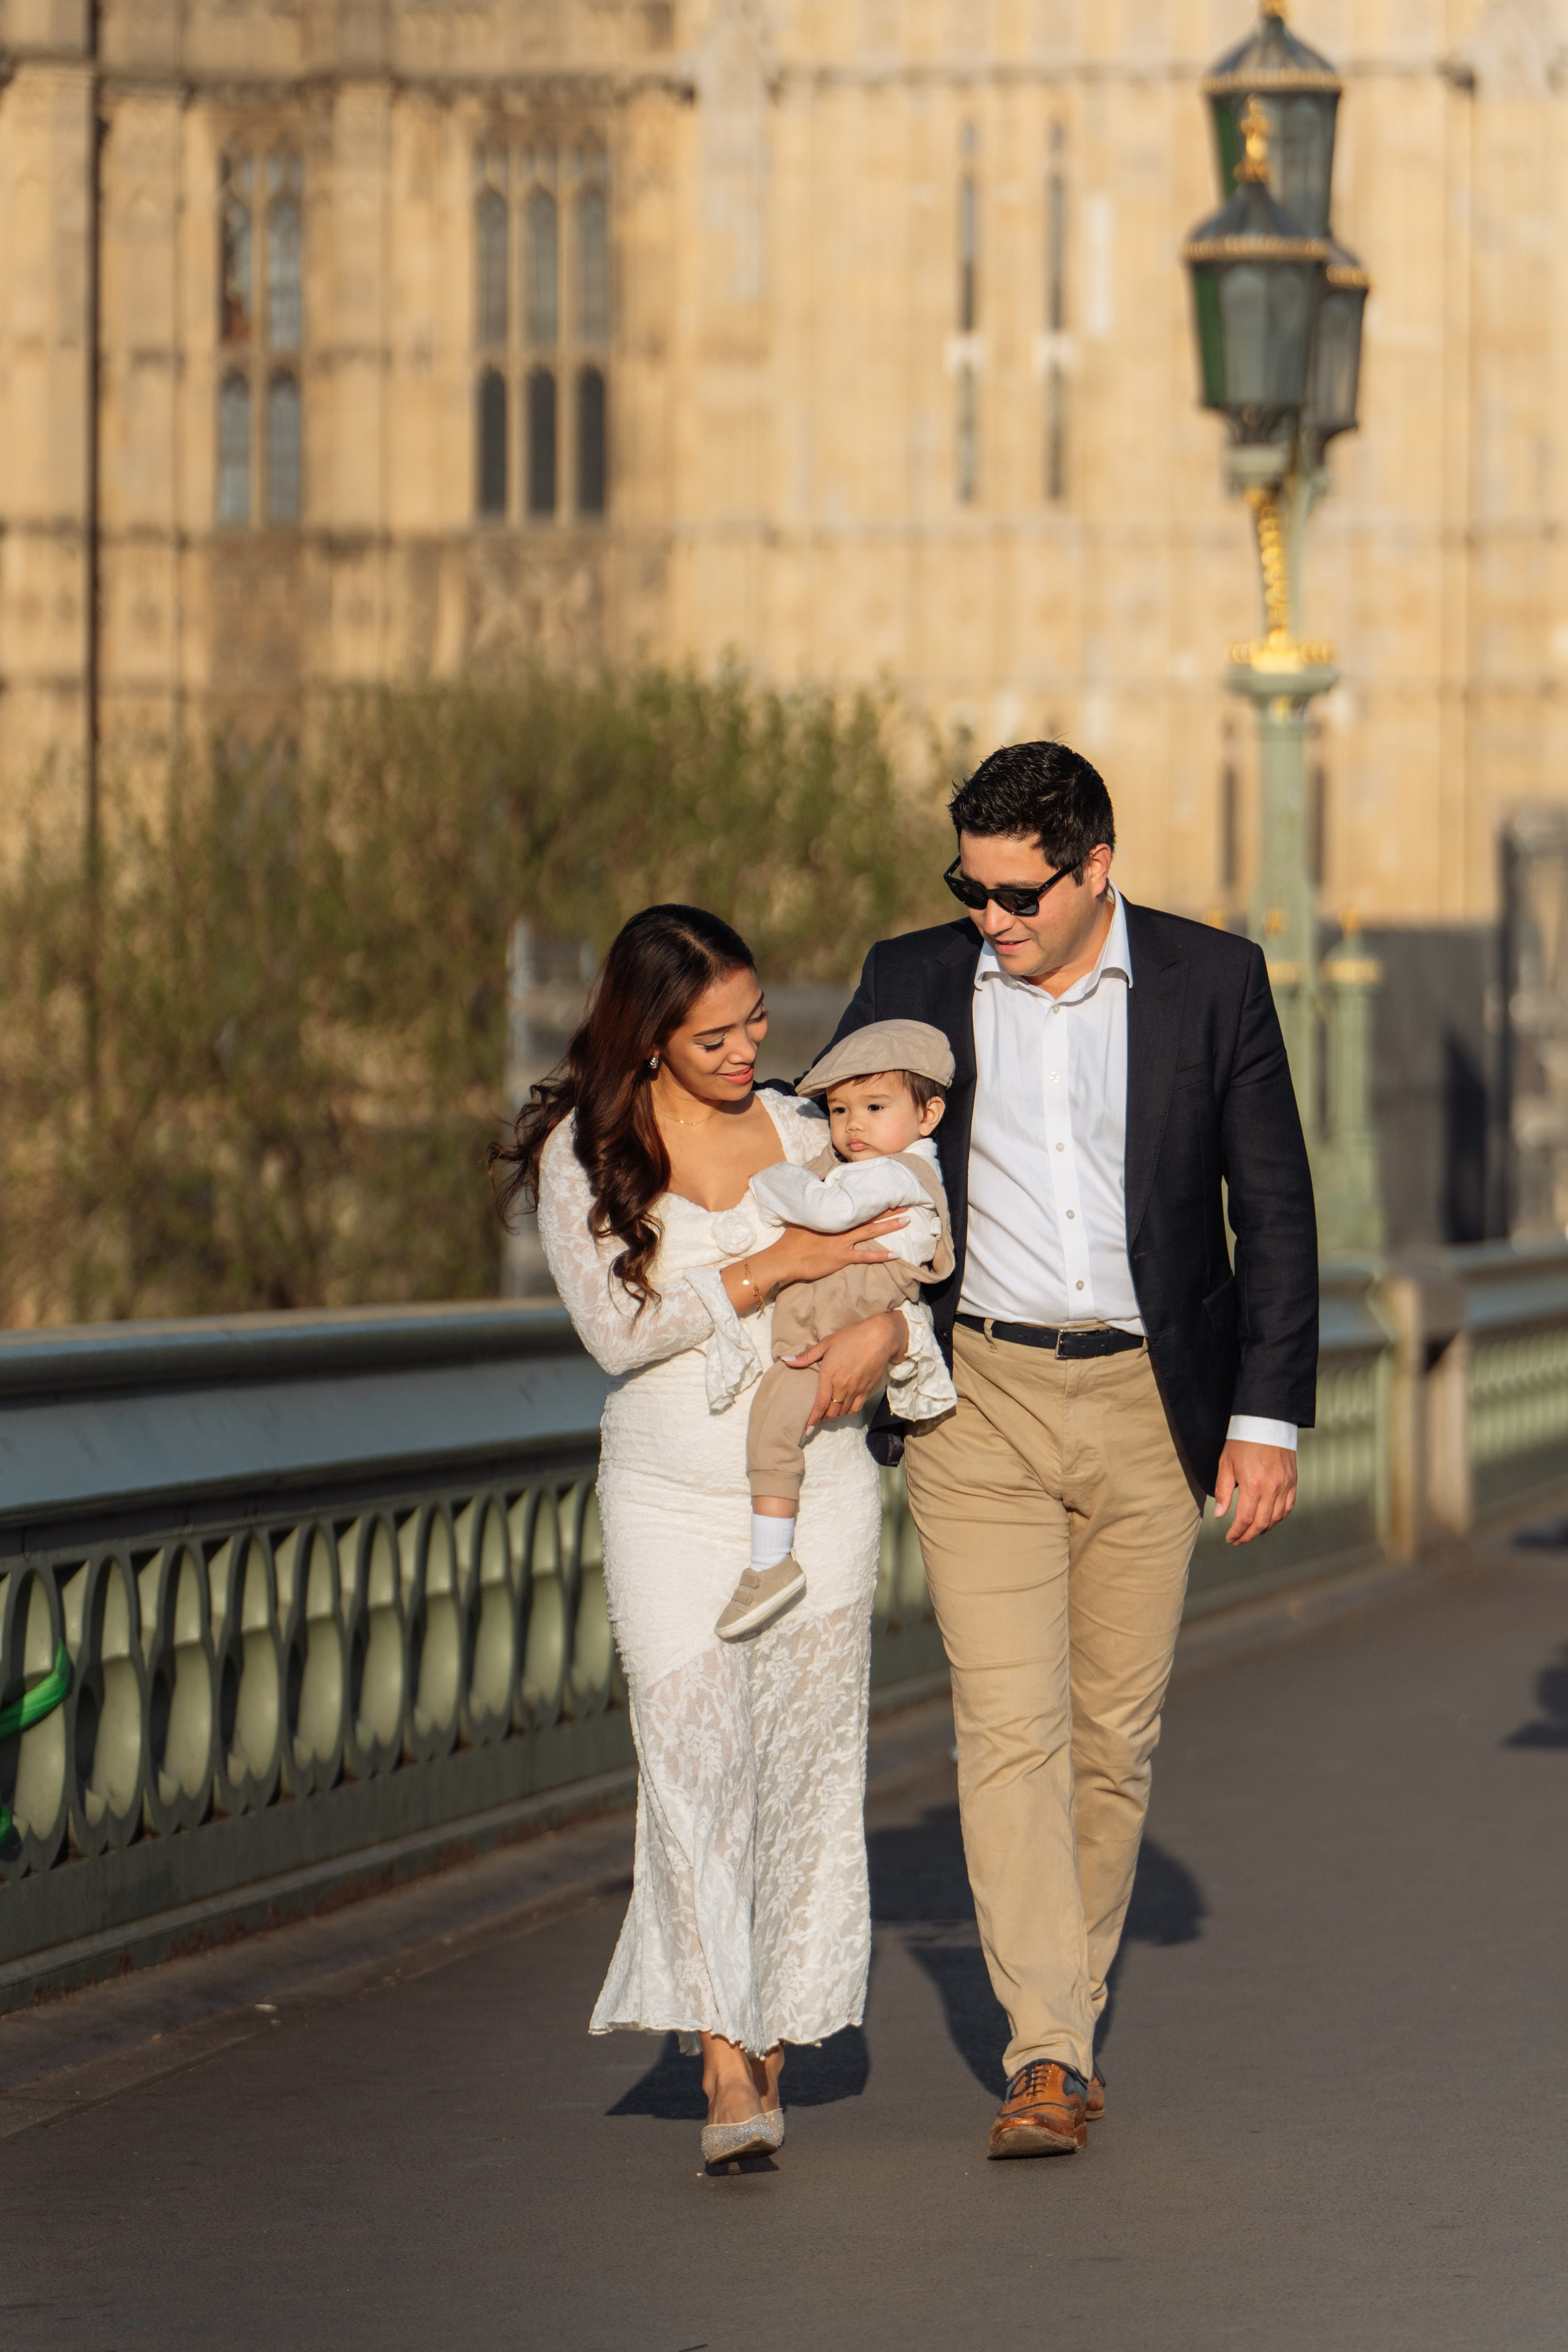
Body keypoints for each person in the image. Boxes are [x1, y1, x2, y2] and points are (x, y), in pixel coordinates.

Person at [823, 741, 1319, 2161]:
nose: (990, 917)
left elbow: (1269, 1210)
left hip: (1149, 1399)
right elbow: (821, 1144)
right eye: (968, 888)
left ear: (1094, 867)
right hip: (974, 1388)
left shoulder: (1206, 980)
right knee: (1009, 1724)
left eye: (1017, 891)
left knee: (1111, 1733)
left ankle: (1065, 2011)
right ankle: (1043, 2047)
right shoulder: (911, 978)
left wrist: (1263, 1413)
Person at [492, 904, 951, 2168]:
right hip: (662, 1498)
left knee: (799, 1773)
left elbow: (905, 1262)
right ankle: (722, 2062)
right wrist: (769, 1264)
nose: (748, 1049)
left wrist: (884, 1335)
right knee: (691, 1769)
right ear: (648, 1041)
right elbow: (617, 1334)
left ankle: (779, 2033)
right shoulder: (584, 1158)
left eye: (755, 1022)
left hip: (822, 1489)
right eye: (714, 1035)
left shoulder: (813, 1128)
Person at [715, 1020, 957, 1643]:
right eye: (840, 1108)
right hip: (832, 1320)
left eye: (875, 1108)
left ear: (928, 1114)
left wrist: (768, 1178)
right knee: (777, 1419)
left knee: (774, 1427)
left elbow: (824, 1210)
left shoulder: (898, 1174)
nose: (852, 1125)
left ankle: (771, 1563)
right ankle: (771, 1559)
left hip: (841, 1323)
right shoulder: (866, 1164)